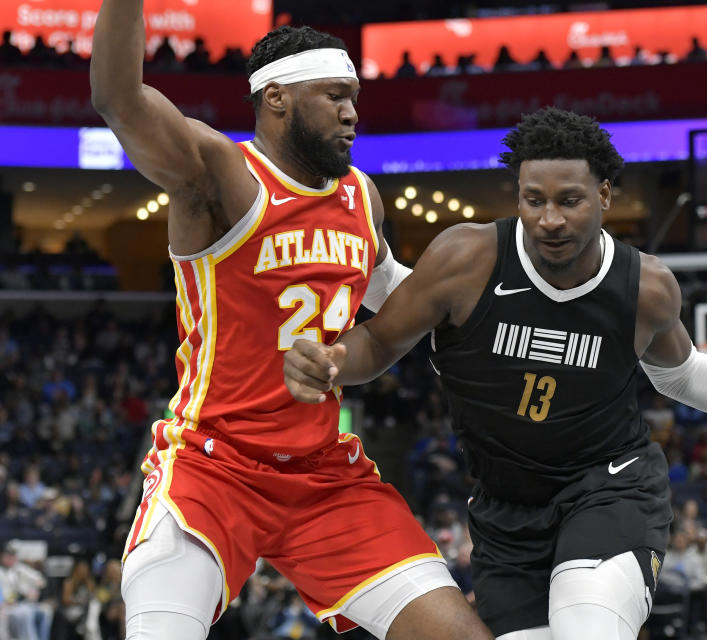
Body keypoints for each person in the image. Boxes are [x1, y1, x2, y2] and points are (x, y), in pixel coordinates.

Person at [283, 107, 707, 640]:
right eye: (533, 200)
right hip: (505, 510)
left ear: (604, 194)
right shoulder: (464, 260)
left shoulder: (644, 286)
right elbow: (380, 340)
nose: (548, 218)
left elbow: (680, 374)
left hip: (609, 487)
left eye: (568, 200)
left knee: (587, 624)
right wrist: (335, 360)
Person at [90, 5, 492, 640]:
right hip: (213, 467)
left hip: (323, 474)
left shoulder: (362, 195)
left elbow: (398, 298)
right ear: (276, 97)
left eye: (354, 98)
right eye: (336, 96)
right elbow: (119, 99)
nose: (352, 112)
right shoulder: (219, 176)